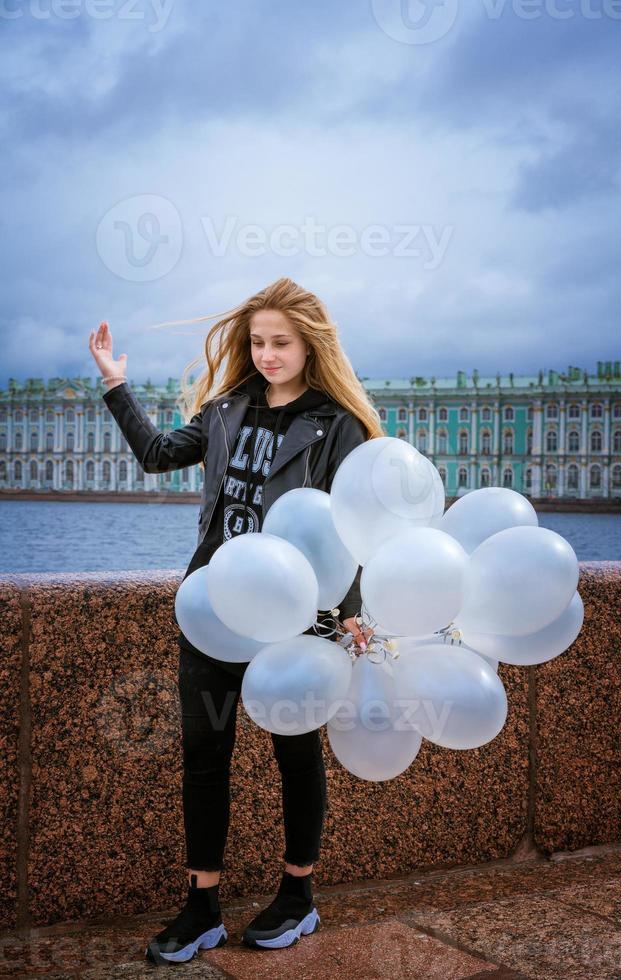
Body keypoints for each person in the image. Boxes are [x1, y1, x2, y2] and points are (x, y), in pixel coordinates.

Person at [89, 277, 383, 964]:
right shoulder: (225, 409)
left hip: (298, 616)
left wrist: (351, 613)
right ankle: (201, 907)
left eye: (280, 342)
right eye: (257, 342)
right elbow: (157, 455)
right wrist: (115, 386)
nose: (267, 353)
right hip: (214, 609)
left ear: (310, 343)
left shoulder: (337, 424)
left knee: (294, 753)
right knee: (204, 757)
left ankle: (297, 895)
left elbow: (355, 527)